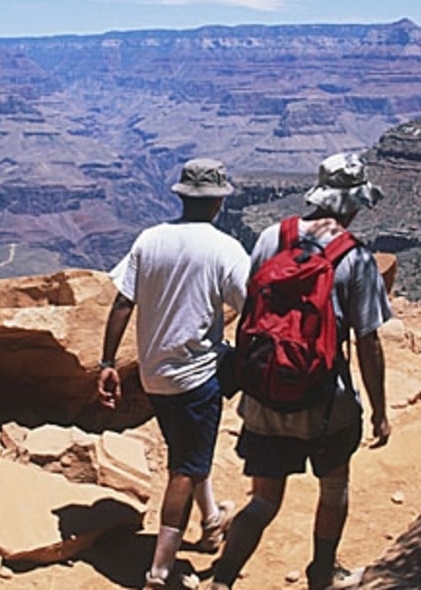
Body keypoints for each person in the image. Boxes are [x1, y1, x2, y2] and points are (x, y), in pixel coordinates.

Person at [209, 152, 393, 590]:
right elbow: (368, 341)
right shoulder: (356, 258)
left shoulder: (273, 236)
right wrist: (381, 411)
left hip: (265, 394)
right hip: (324, 403)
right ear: (353, 203)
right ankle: (321, 574)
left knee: (263, 501)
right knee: (333, 489)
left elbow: (251, 309)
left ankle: (223, 579)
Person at [98, 157, 250, 590]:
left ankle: (213, 521)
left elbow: (123, 302)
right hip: (197, 376)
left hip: (153, 375)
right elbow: (252, 306)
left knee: (187, 449)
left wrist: (108, 364)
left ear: (181, 197)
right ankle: (160, 573)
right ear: (220, 201)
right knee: (184, 467)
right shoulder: (225, 249)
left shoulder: (150, 240)